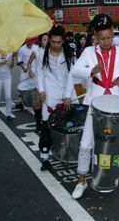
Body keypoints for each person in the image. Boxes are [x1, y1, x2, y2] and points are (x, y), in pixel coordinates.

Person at [70, 14, 119, 199]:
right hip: (96, 101)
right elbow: (75, 70)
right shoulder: (89, 53)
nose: (106, 41)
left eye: (109, 37)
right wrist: (90, 71)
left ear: (113, 35)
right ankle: (81, 181)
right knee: (86, 143)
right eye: (102, 39)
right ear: (96, 38)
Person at [36, 25, 75, 171]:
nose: (56, 45)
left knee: (71, 125)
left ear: (63, 41)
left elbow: (72, 75)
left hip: (68, 94)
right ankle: (45, 158)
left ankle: (70, 153)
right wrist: (41, 90)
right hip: (50, 94)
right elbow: (39, 73)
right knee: (47, 126)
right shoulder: (41, 55)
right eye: (53, 42)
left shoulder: (70, 55)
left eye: (59, 42)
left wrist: (67, 95)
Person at [27, 33, 48, 133]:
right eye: (44, 40)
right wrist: (30, 71)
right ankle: (38, 124)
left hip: (49, 79)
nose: (46, 41)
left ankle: (46, 123)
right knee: (37, 102)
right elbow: (29, 62)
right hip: (38, 79)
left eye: (48, 39)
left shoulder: (52, 51)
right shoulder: (36, 51)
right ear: (40, 41)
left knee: (48, 102)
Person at [16, 40, 36, 110]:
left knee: (34, 87)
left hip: (34, 71)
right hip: (24, 71)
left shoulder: (35, 47)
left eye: (31, 41)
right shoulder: (21, 49)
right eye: (28, 41)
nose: (30, 43)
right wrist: (24, 68)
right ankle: (23, 104)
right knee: (24, 88)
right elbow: (19, 61)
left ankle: (34, 103)